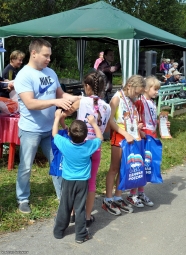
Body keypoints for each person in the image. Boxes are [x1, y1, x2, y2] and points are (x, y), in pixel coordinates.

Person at [14, 38, 80, 214]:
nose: (49, 59)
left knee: (58, 163)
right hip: (30, 130)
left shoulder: (50, 72)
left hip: (51, 129)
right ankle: (23, 199)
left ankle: (63, 197)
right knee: (26, 166)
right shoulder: (24, 75)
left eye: (50, 56)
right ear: (33, 53)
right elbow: (30, 103)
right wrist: (56, 101)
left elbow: (61, 94)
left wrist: (78, 99)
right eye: (46, 55)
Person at [63, 71, 111, 227]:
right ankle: (88, 216)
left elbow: (65, 114)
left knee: (72, 179)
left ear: (87, 86)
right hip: (94, 149)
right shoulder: (107, 107)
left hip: (77, 147)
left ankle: (71, 213)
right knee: (91, 183)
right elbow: (103, 130)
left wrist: (66, 128)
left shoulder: (81, 102)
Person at [53, 112, 103, 243]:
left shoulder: (65, 144)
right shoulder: (89, 146)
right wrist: (93, 123)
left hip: (67, 181)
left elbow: (54, 134)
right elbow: (100, 138)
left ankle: (58, 232)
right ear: (86, 136)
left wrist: (57, 118)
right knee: (80, 208)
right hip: (82, 182)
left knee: (65, 206)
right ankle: (80, 235)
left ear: (68, 133)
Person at [102, 75, 145, 216]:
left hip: (130, 137)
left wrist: (137, 128)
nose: (138, 96)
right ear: (129, 86)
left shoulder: (131, 100)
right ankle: (108, 199)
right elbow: (110, 120)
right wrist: (124, 133)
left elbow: (130, 118)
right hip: (119, 137)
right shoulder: (117, 98)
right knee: (114, 168)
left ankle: (118, 196)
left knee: (124, 168)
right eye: (137, 92)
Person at [131, 76, 170, 206]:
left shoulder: (152, 103)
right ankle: (133, 194)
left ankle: (141, 192)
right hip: (143, 136)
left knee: (147, 165)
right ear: (146, 89)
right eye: (155, 89)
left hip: (152, 136)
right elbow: (135, 118)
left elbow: (151, 120)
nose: (157, 92)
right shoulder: (140, 102)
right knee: (140, 165)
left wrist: (162, 124)